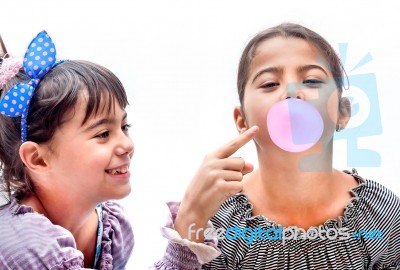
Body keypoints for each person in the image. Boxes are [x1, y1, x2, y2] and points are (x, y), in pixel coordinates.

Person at [154, 23, 400, 269]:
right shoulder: (217, 222)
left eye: (312, 81)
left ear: (342, 112)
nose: (291, 93)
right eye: (270, 84)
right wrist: (188, 219)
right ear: (242, 120)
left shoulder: (381, 213)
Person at [0, 31, 134, 269]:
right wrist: (186, 233)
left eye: (124, 126)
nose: (127, 145)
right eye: (103, 134)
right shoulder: (24, 250)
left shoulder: (114, 230)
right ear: (38, 158)